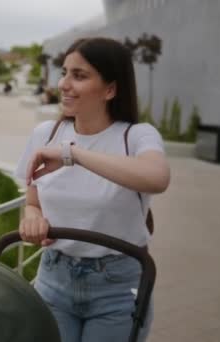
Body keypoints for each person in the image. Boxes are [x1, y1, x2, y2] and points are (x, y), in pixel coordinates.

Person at [15, 37, 170, 342]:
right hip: (54, 279)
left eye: (79, 76)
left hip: (117, 287)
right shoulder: (45, 133)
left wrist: (73, 155)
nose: (63, 84)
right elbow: (32, 201)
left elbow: (157, 177)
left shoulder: (137, 136)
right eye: (64, 72)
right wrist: (32, 218)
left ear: (110, 90)